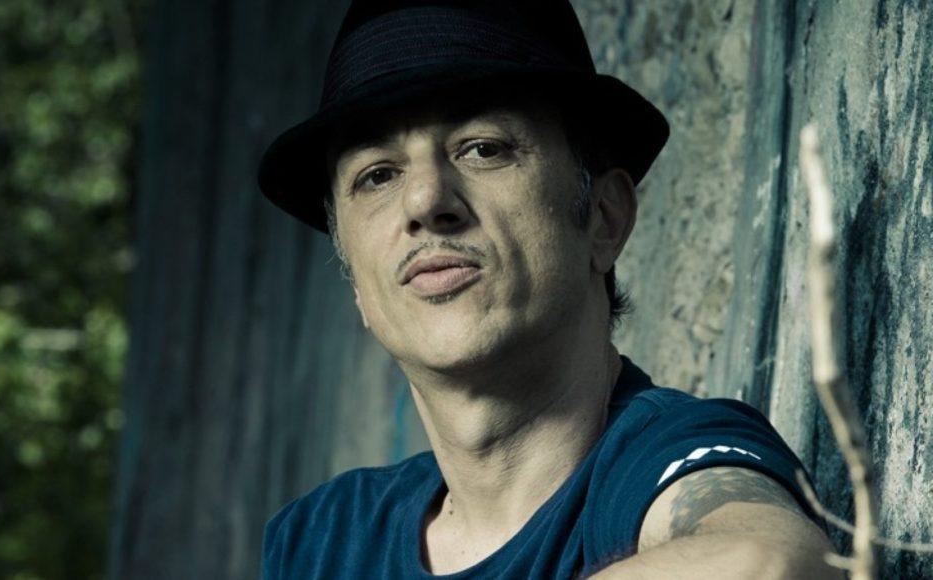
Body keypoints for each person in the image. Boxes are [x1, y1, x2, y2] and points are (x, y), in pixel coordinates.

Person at [256, 1, 838, 577]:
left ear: (604, 219)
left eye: (483, 148)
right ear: (356, 281)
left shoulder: (667, 456)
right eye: (378, 175)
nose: (426, 201)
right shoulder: (322, 541)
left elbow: (768, 561)